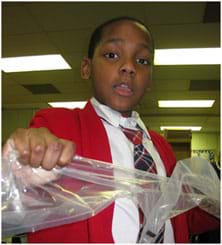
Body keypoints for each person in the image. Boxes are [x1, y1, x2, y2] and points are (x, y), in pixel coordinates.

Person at [3, 16, 219, 243]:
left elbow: (179, 220)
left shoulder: (161, 146)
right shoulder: (58, 125)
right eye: (112, 55)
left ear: (151, 79)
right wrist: (27, 153)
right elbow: (25, 177)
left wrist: (212, 200)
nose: (129, 67)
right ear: (86, 68)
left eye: (143, 61)